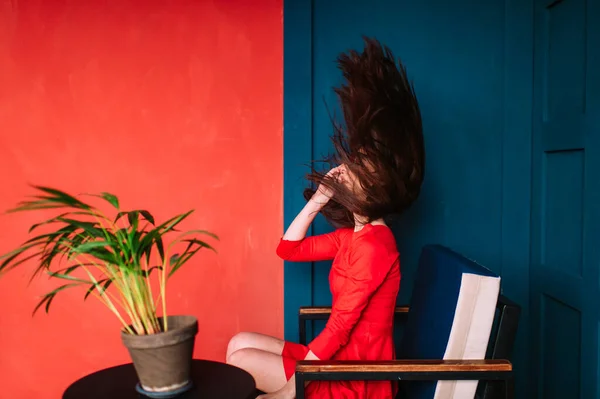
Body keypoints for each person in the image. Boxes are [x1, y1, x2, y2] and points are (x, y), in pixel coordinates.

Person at [226, 36, 425, 399]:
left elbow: (341, 325)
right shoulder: (354, 235)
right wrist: (320, 197)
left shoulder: (377, 246)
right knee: (238, 343)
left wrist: (292, 388)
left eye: (351, 173)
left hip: (354, 378)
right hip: (333, 359)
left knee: (240, 364)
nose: (342, 172)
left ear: (372, 190)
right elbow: (287, 249)